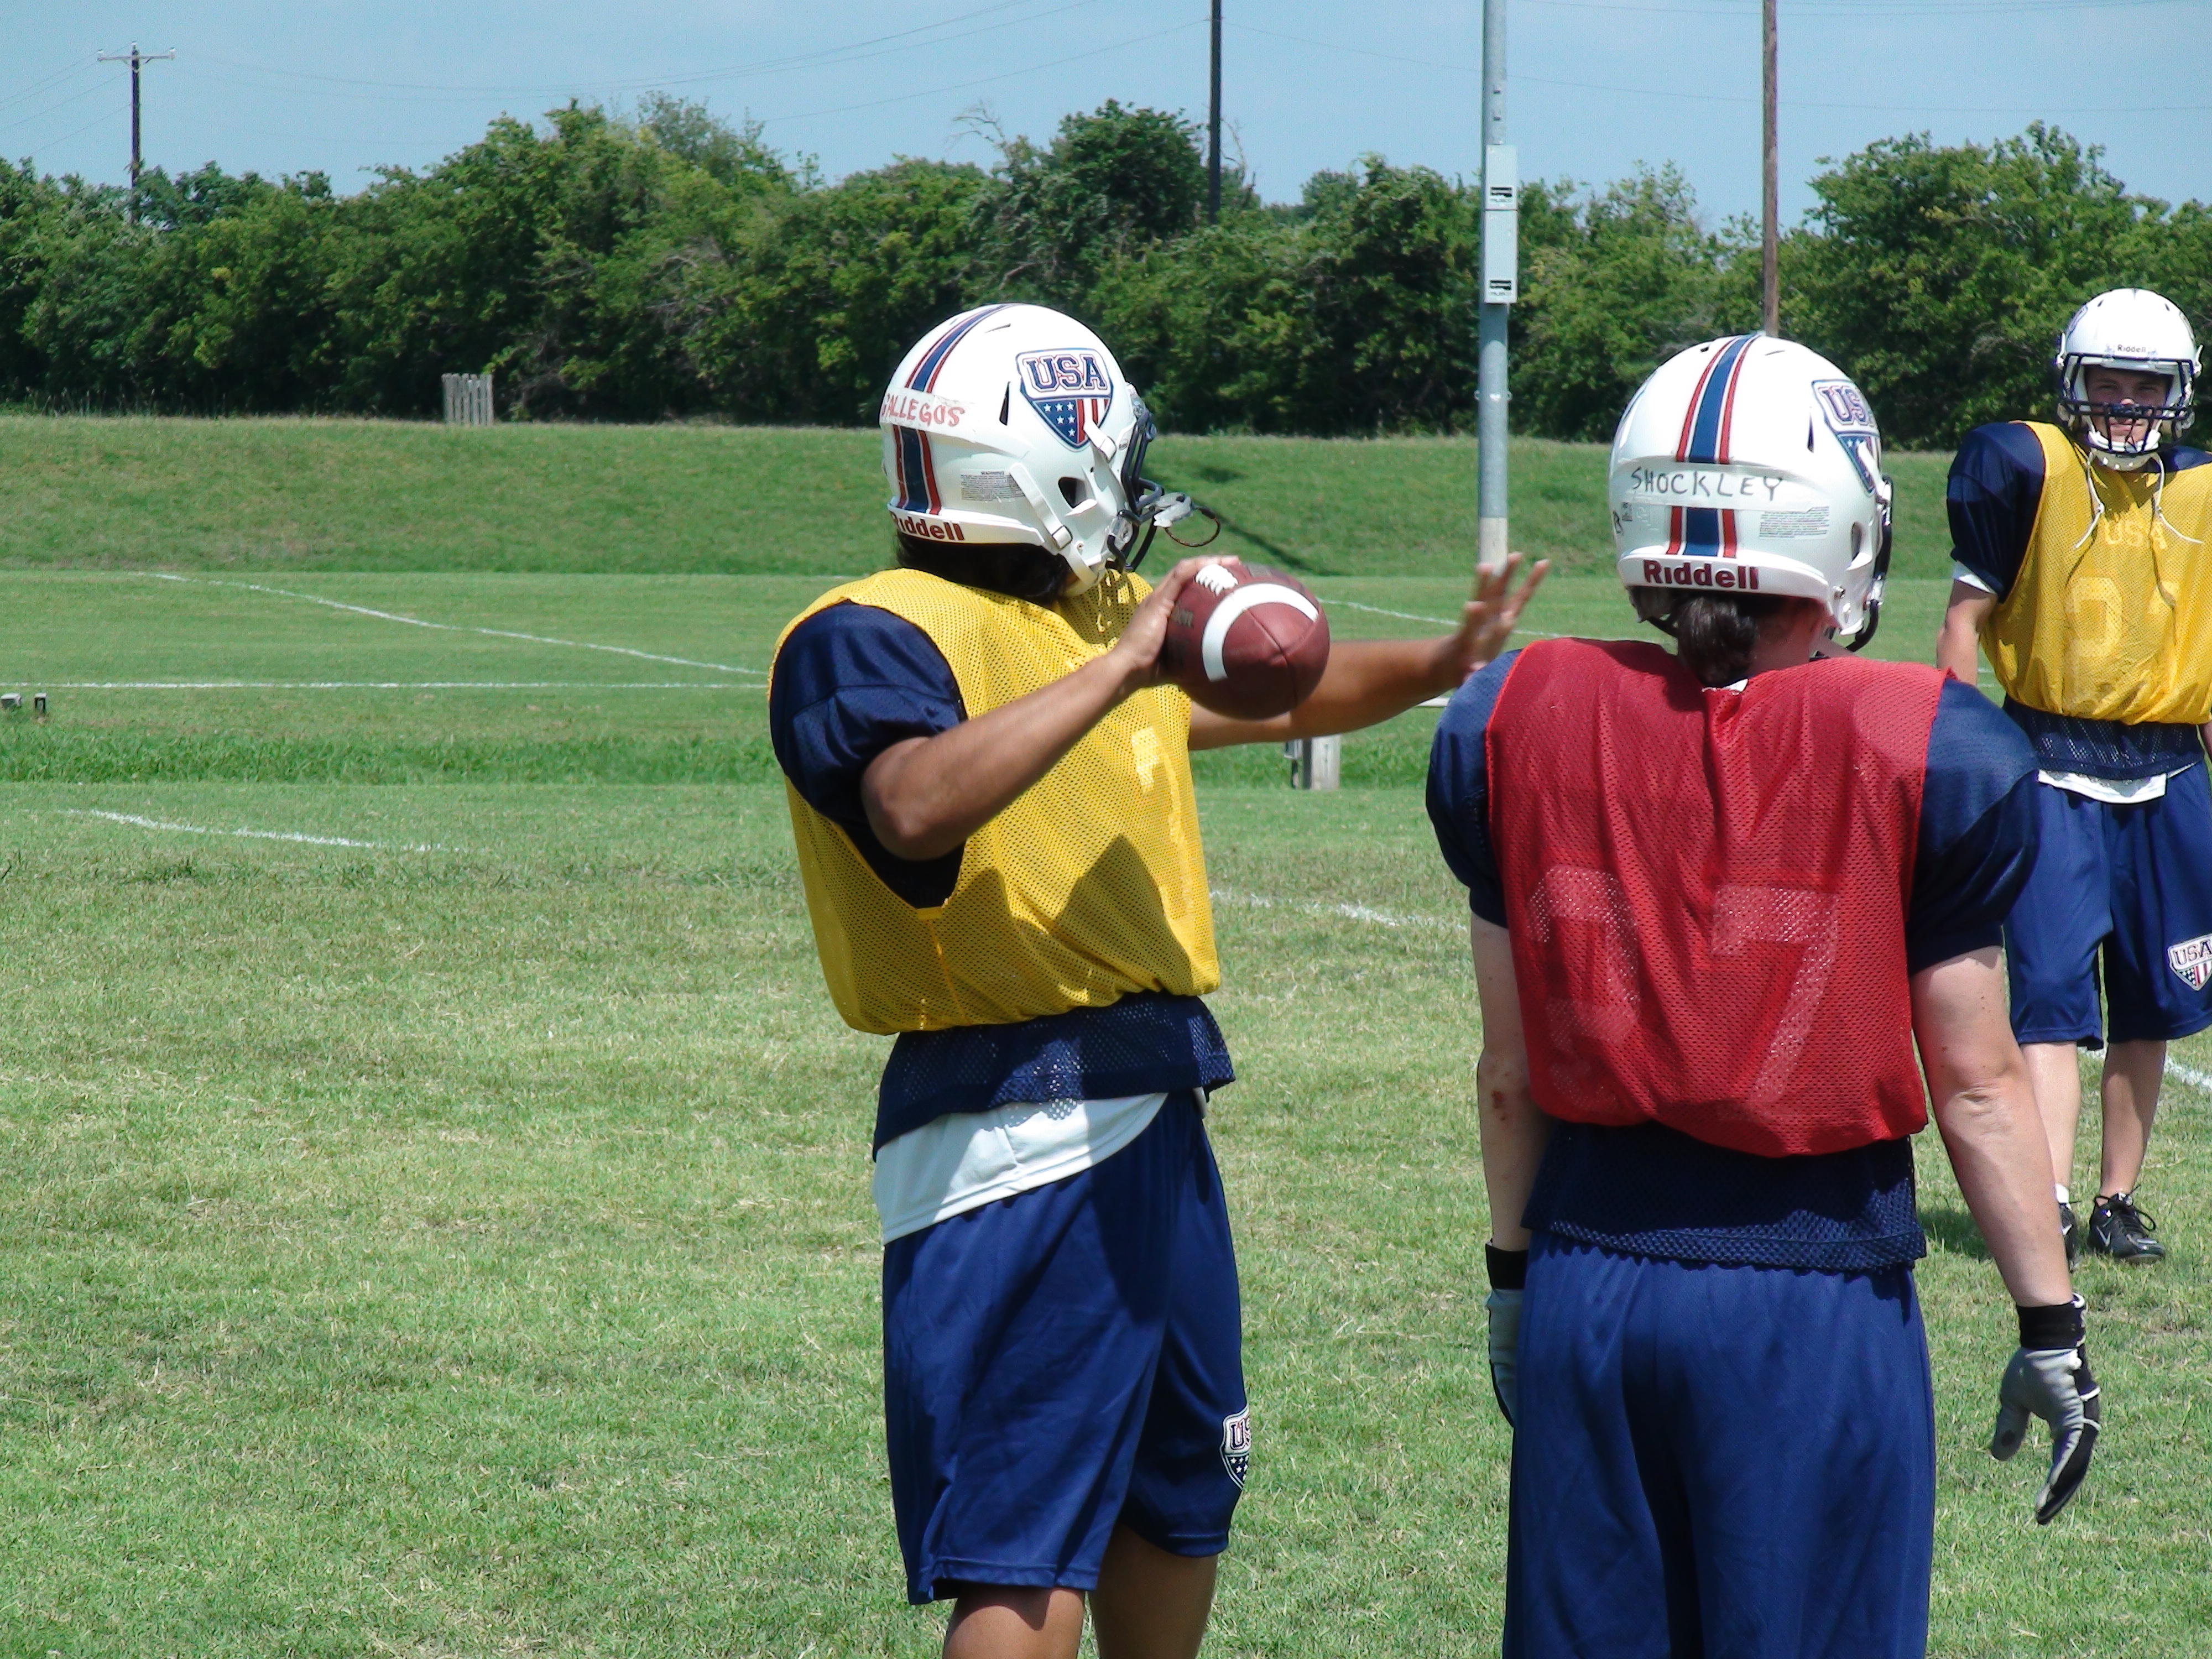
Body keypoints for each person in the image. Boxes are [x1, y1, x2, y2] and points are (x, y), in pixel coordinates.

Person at [769, 301, 1543, 1659]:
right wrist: (1125, 662)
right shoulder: (868, 631)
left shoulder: (1095, 619)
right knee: (1021, 1544)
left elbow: (1277, 696)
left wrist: (1439, 661)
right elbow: (910, 804)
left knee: (1178, 1496)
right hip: (1010, 1117)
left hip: (1151, 1095)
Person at [1428, 335, 2100, 1658]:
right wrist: (2048, 1322)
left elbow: (1507, 1075)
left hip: (1586, 1275)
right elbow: (1974, 1084)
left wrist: (1512, 1278)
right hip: (1807, 1291)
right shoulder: (1929, 743)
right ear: (1840, 525)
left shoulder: (1509, 714)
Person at [1936, 287, 2212, 1266]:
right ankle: (2048, 1195)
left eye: (2147, 386)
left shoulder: (2202, 490)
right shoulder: (2030, 467)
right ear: (2072, 380)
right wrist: (1952, 755)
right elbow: (1963, 622)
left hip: (2172, 768)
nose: (2126, 403)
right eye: (2109, 381)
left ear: (2179, 393)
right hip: (2050, 760)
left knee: (2155, 998)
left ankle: (2116, 1200)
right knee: (2049, 995)